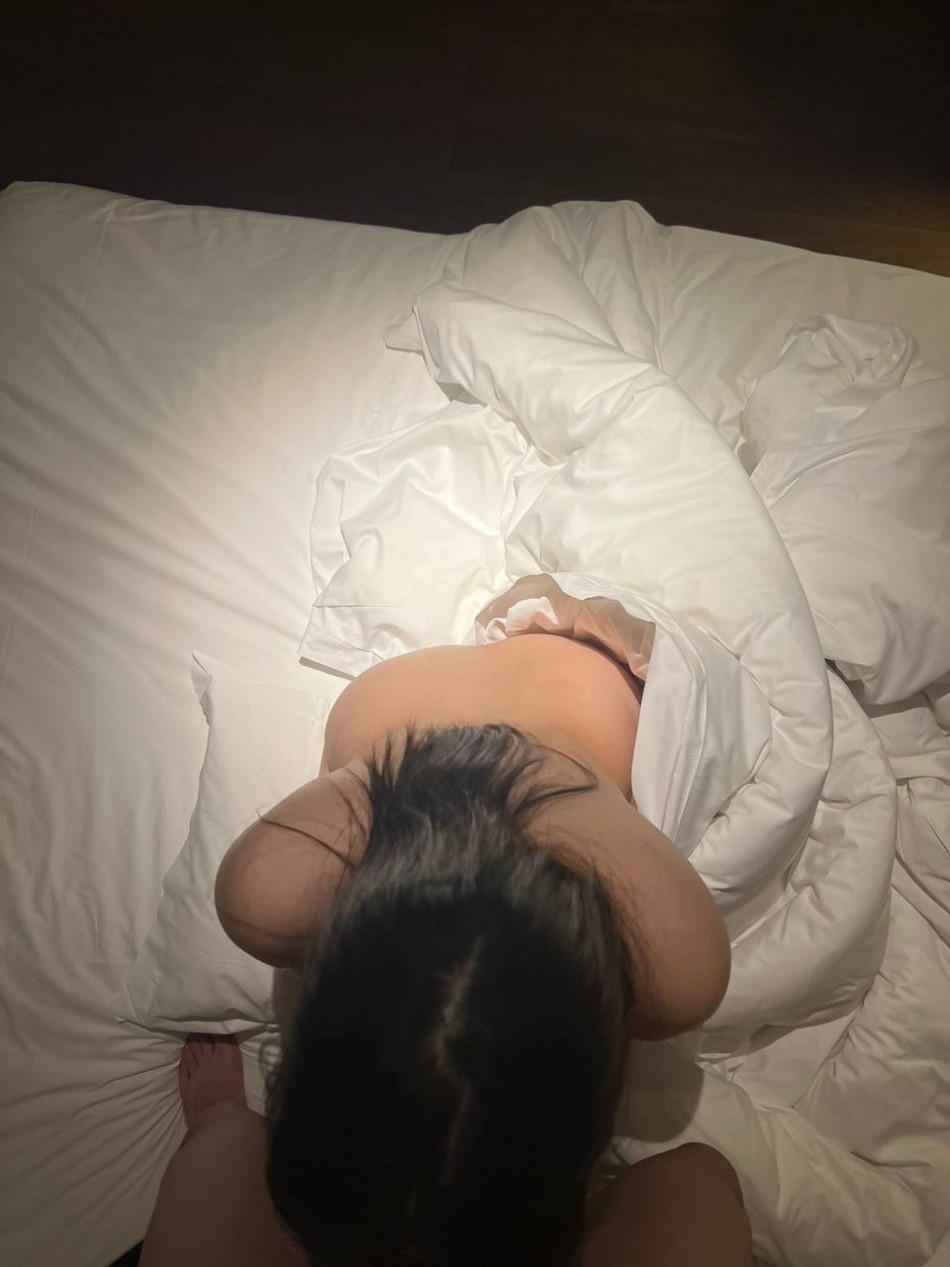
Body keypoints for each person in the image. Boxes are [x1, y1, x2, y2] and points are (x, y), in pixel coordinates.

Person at [141, 631, 754, 1266]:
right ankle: (224, 1124)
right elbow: (698, 1178)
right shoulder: (675, 963)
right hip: (489, 712)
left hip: (505, 704)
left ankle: (222, 1122)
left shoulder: (674, 961)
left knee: (259, 904)